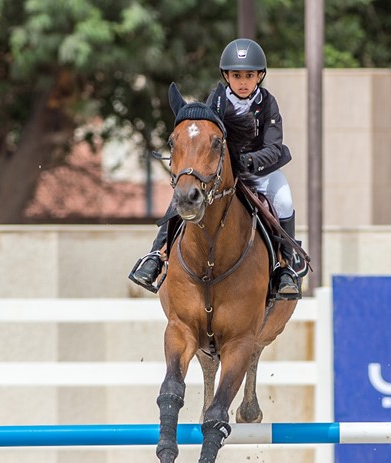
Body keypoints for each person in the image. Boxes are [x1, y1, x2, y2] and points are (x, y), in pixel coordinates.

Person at [129, 38, 301, 299]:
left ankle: (284, 267)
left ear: (259, 76)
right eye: (236, 75)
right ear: (226, 76)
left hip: (261, 172)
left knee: (284, 200)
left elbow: (274, 147)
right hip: (225, 174)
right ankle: (156, 255)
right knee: (183, 197)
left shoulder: (267, 103)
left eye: (249, 75)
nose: (243, 82)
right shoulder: (217, 101)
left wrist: (249, 161)